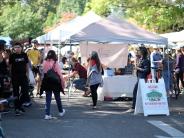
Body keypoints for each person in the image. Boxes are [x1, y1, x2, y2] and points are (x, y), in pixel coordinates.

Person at [41, 50, 65, 120]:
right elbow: (59, 73)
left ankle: (47, 114)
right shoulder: (55, 62)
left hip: (47, 81)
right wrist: (62, 81)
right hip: (55, 82)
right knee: (57, 97)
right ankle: (60, 111)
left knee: (48, 98)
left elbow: (43, 72)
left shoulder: (44, 62)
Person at [9, 43, 30, 116]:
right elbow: (10, 67)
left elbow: (27, 65)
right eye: (15, 47)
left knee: (25, 91)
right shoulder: (12, 56)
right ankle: (17, 109)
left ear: (21, 48)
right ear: (14, 48)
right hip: (15, 77)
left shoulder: (24, 55)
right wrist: (10, 76)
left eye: (18, 47)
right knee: (16, 93)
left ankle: (19, 105)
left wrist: (27, 74)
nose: (17, 48)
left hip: (23, 76)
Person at [128, 47, 150, 112]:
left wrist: (138, 68)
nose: (138, 52)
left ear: (142, 52)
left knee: (135, 92)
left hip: (142, 79)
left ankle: (133, 107)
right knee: (137, 93)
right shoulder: (141, 59)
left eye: (139, 51)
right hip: (139, 78)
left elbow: (147, 70)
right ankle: (136, 106)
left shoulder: (146, 60)